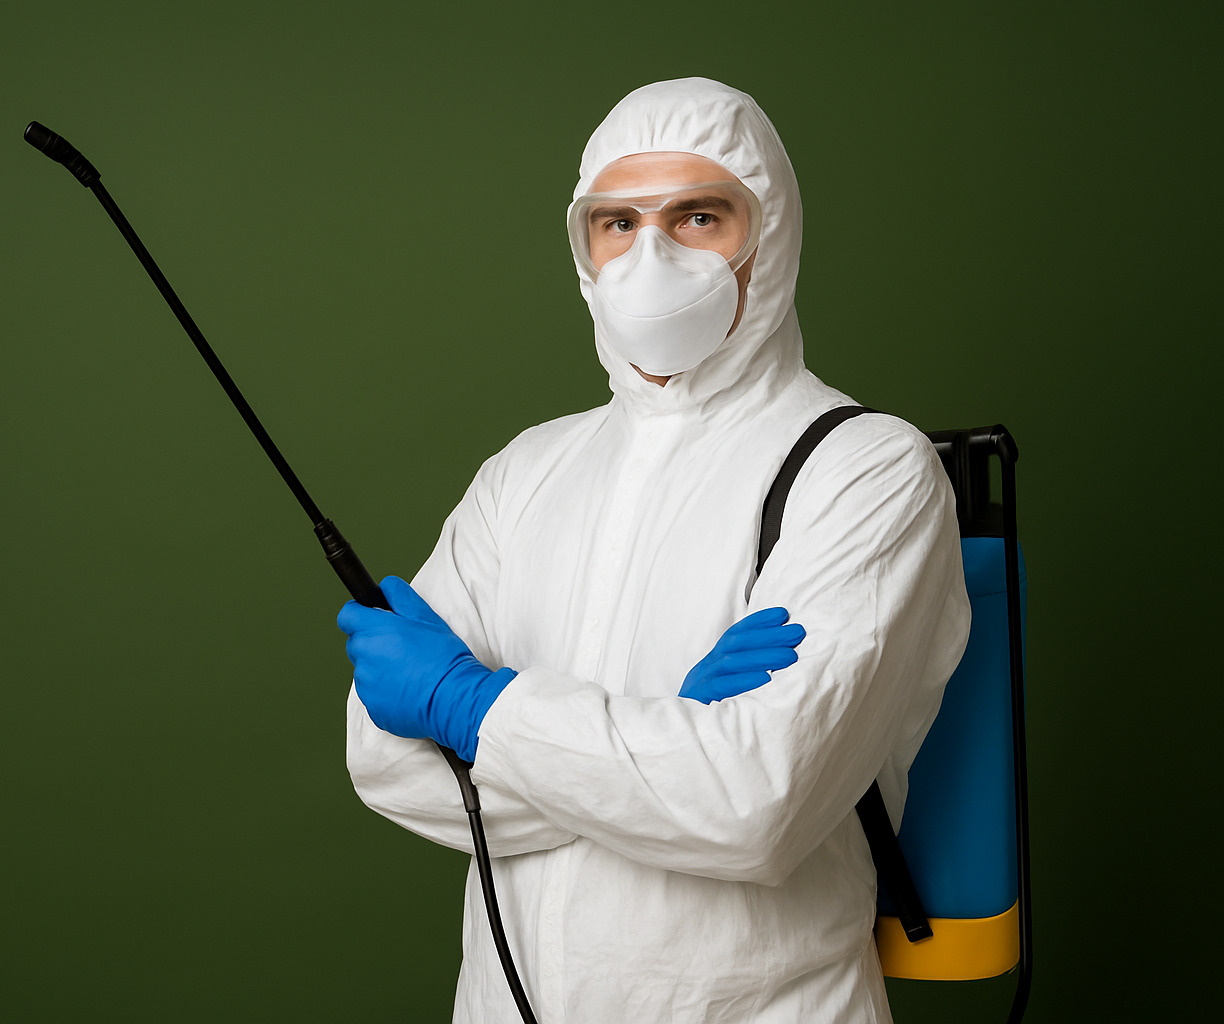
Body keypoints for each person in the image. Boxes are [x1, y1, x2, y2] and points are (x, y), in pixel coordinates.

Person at [338, 78, 971, 1023]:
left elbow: (759, 809)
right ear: (584, 249)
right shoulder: (526, 473)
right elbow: (384, 762)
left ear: (770, 236)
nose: (651, 256)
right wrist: (669, 739)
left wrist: (473, 711)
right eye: (617, 223)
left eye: (698, 217)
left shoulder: (866, 469)